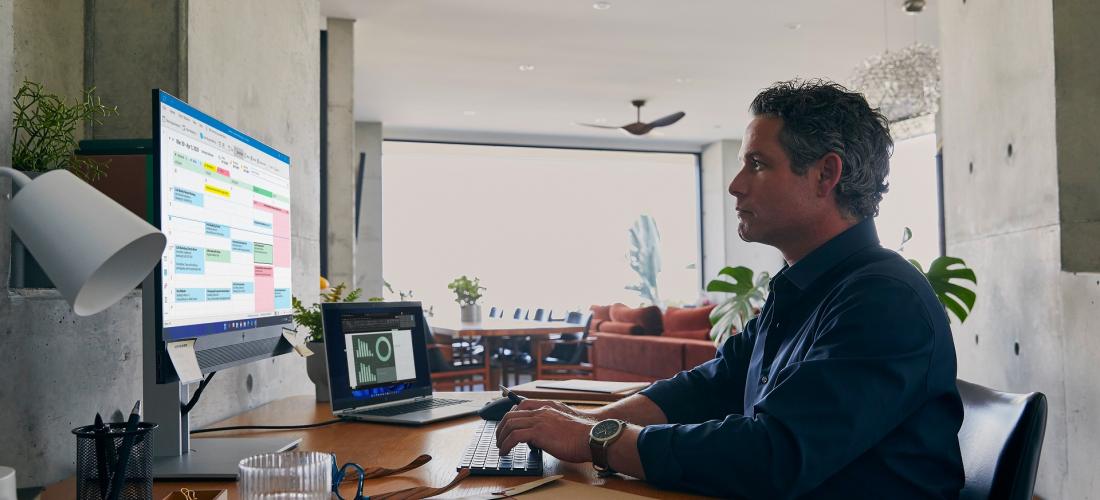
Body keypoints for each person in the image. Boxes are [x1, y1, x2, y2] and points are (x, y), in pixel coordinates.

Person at [495, 79, 965, 498]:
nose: (735, 186)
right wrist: (590, 422)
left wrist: (597, 440)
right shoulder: (806, 285)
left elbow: (772, 456)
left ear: (826, 174)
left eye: (757, 164)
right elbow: (715, 383)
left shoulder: (885, 300)